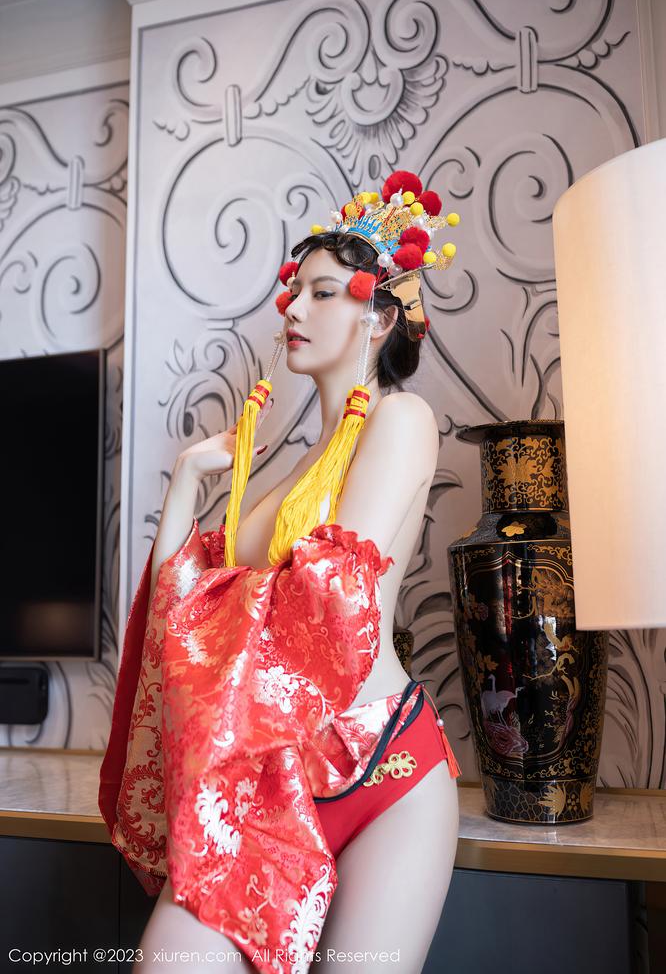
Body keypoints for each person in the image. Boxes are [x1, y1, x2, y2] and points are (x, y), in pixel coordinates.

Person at [99, 171, 462, 973]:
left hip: (385, 770)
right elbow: (175, 612)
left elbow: (327, 602)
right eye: (294, 293)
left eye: (321, 293)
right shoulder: (290, 475)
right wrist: (187, 481)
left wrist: (223, 598)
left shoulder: (401, 420)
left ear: (380, 317)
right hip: (268, 781)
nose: (292, 310)